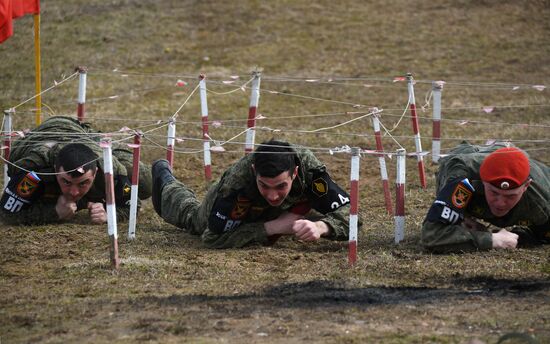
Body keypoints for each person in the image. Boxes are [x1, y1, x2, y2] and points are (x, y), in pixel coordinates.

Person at [151, 140, 357, 248]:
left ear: (294, 173)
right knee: (194, 220)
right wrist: (273, 227)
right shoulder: (236, 184)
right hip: (243, 206)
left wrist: (322, 227)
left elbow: (352, 215)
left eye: (280, 186)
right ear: (253, 172)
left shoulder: (309, 171)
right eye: (265, 186)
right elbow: (212, 239)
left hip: (286, 208)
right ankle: (166, 181)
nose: (273, 195)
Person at [0, 116, 152, 225]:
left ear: (96, 173)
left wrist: (109, 214)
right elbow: (6, 214)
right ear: (54, 171)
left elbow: (132, 205)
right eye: (66, 182)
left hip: (80, 133)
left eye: (83, 183)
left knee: (145, 184)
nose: (73, 192)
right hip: (42, 135)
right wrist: (53, 212)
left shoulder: (110, 169)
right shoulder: (34, 171)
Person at [422, 141, 550, 253]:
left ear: (526, 186)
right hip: (467, 156)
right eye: (494, 192)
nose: (500, 203)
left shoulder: (542, 196)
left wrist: (519, 236)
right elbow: (432, 235)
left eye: (510, 196)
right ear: (483, 181)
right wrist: (491, 240)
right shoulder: (463, 177)